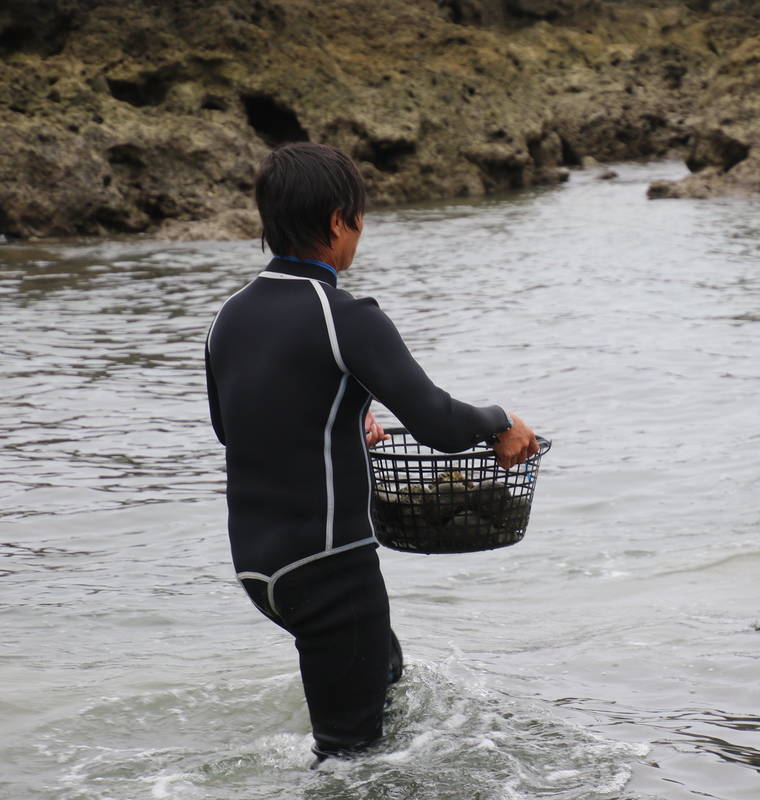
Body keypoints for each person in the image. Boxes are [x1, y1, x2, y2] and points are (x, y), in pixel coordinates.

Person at [204, 142, 540, 763]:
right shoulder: (347, 316)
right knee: (352, 764)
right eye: (359, 217)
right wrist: (500, 421)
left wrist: (344, 419)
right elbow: (439, 424)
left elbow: (237, 430)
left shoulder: (228, 317)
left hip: (258, 569)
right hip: (331, 568)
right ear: (338, 220)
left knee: (386, 674)